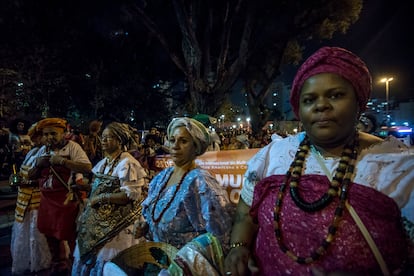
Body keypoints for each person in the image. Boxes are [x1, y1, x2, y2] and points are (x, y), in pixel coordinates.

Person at [224, 46, 414, 275]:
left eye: (335, 95)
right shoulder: (273, 155)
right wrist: (239, 247)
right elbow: (246, 211)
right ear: (299, 109)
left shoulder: (398, 167)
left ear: (359, 101)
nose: (321, 105)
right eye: (309, 99)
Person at [138, 117, 234, 273]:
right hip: (156, 264)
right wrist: (146, 226)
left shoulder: (201, 182)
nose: (175, 146)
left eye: (183, 141)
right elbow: (154, 216)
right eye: (172, 140)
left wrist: (188, 259)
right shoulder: (161, 178)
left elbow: (220, 235)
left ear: (196, 147)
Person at [72, 122, 148, 276]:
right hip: (97, 222)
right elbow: (100, 186)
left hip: (118, 225)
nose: (104, 141)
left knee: (111, 262)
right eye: (103, 137)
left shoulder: (127, 163)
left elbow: (129, 195)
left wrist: (102, 198)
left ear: (120, 141)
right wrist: (82, 188)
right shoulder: (105, 162)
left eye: (109, 138)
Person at [29, 117, 92, 275]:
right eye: (46, 134)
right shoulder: (42, 150)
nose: (49, 137)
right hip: (47, 201)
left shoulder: (73, 147)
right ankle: (58, 265)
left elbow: (87, 167)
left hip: (67, 199)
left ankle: (74, 267)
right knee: (50, 234)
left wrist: (62, 162)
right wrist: (38, 165)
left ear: (64, 133)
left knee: (70, 234)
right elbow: (31, 175)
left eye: (53, 134)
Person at [10, 122, 52, 274]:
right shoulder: (32, 151)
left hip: (36, 200)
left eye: (40, 136)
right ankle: (29, 262)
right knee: (24, 232)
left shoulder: (46, 152)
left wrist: (24, 182)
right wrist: (16, 179)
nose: (36, 139)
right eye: (35, 136)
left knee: (36, 233)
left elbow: (43, 178)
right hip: (24, 199)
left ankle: (40, 264)